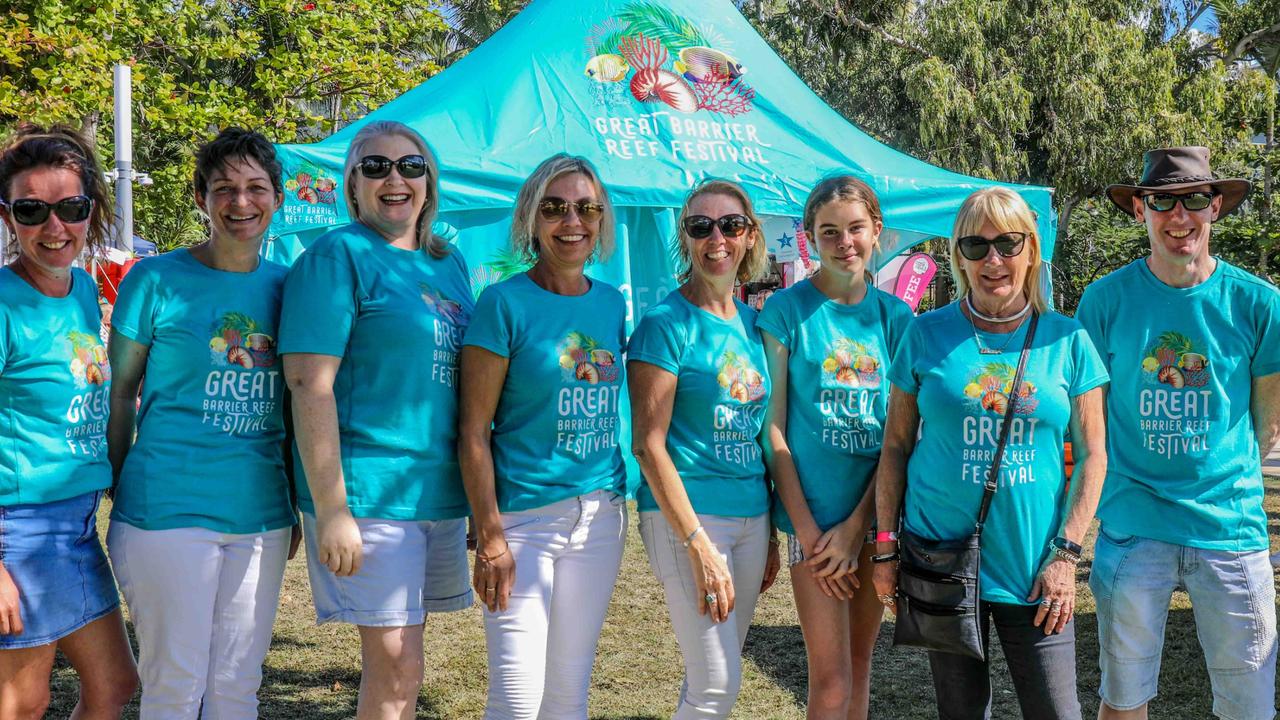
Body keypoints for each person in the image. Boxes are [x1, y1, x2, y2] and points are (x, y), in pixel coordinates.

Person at [872, 187, 1108, 720]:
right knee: (959, 711)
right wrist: (886, 548)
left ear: (1032, 250)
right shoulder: (924, 334)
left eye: (1007, 243)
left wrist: (1068, 555)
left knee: (1056, 710)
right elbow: (895, 446)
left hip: (1037, 569)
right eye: (975, 247)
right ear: (958, 256)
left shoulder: (1067, 340)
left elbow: (1094, 456)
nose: (993, 260)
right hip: (942, 562)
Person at [279, 120, 474, 720]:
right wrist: (333, 508)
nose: (395, 179)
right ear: (353, 185)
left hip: (435, 493)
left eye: (411, 167)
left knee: (406, 668)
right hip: (369, 491)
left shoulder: (449, 263)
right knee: (395, 667)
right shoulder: (336, 256)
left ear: (430, 182)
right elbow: (308, 384)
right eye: (376, 167)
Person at [1077, 147, 1280, 720]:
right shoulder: (1105, 300)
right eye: (1162, 202)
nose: (1179, 216)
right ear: (1141, 209)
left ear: (1214, 207)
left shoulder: (1259, 303)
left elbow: (1268, 424)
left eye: (1193, 199)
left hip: (1230, 528)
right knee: (1123, 700)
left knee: (1249, 706)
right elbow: (1091, 418)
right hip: (1133, 525)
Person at [105, 128, 296, 719]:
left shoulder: (291, 287)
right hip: (166, 509)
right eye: (224, 188)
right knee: (175, 684)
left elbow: (299, 406)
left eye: (256, 187)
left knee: (239, 686)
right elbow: (119, 396)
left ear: (278, 198)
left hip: (262, 514)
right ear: (200, 198)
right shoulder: (154, 280)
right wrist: (116, 483)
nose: (241, 203)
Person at [459, 154, 627, 719]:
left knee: (567, 696)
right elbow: (473, 432)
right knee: (517, 699)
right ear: (532, 219)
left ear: (601, 220)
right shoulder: (502, 304)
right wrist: (490, 537)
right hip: (522, 523)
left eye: (585, 208)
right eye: (554, 208)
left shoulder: (611, 303)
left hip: (600, 518)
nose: (571, 221)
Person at [758, 176, 913, 720]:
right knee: (829, 679)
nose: (844, 241)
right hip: (814, 526)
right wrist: (811, 533)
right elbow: (772, 429)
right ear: (810, 239)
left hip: (874, 516)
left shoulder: (897, 320)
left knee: (860, 663)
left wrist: (858, 527)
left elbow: (900, 437)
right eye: (830, 231)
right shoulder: (784, 312)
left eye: (855, 228)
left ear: (876, 232)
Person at [627, 179, 781, 719]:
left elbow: (762, 433)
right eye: (701, 226)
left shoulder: (757, 327)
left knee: (714, 673)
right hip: (690, 517)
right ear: (687, 238)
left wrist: (771, 539)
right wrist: (695, 542)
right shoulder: (663, 325)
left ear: (750, 235)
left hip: (751, 517)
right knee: (716, 683)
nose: (717, 237)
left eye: (731, 225)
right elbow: (647, 446)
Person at [0, 126, 138, 717]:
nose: (54, 227)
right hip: (20, 531)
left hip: (77, 524)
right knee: (21, 705)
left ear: (91, 210)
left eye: (70, 207)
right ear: (8, 218)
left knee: (114, 686)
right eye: (32, 210)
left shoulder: (82, 287)